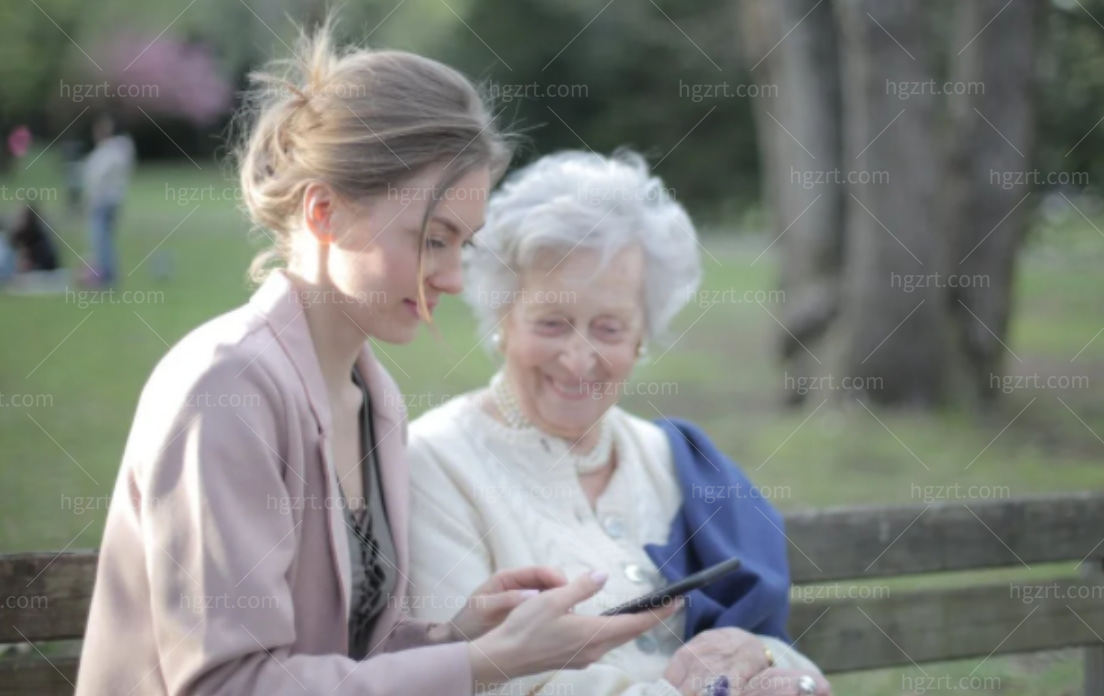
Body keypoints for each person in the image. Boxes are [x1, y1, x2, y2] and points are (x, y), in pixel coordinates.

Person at [76, 23, 672, 696]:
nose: (451, 279)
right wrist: (482, 666)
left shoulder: (372, 394)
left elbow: (340, 647)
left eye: (463, 246)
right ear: (326, 212)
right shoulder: (227, 387)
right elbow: (228, 685)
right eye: (432, 240)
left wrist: (461, 633)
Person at [405, 151, 831, 696]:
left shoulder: (674, 459)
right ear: (503, 320)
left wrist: (767, 658)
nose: (578, 360)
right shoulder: (436, 462)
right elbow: (478, 679)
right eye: (553, 323)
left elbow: (790, 662)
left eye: (608, 329)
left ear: (641, 336)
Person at [80, 113, 135, 286]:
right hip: (108, 202)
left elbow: (96, 178)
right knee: (103, 240)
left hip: (103, 202)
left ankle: (107, 276)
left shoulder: (110, 152)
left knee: (101, 240)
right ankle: (105, 274)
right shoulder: (114, 151)